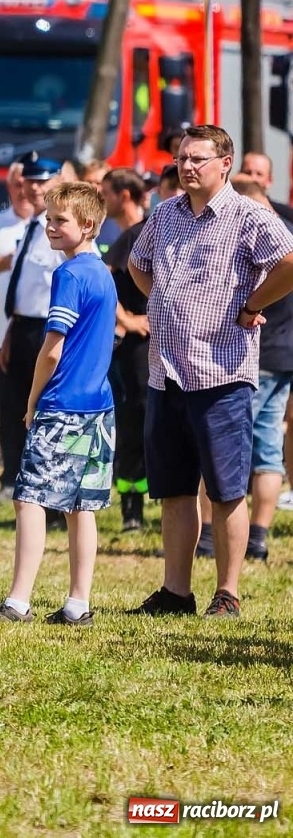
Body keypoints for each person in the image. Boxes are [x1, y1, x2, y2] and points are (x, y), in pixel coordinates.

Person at [127, 125, 293, 618]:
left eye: (198, 158)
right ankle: (175, 591)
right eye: (182, 158)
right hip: (167, 373)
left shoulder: (248, 216)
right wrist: (159, 297)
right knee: (175, 489)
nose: (187, 166)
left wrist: (253, 302)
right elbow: (139, 263)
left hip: (221, 374)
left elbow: (288, 262)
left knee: (224, 490)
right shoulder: (165, 214)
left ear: (225, 163)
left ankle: (228, 593)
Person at [0, 182, 117, 624]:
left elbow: (52, 348)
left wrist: (33, 399)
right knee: (81, 505)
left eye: (60, 220)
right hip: (99, 407)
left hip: (63, 404)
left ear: (88, 225)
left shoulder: (70, 274)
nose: (50, 226)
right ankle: (79, 603)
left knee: (31, 498)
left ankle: (18, 601)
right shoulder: (103, 273)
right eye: (49, 218)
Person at [197, 179, 291, 564]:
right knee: (268, 450)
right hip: (285, 357)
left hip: (248, 360)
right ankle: (259, 538)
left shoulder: (251, 246)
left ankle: (206, 537)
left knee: (217, 447)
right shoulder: (287, 237)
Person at [0, 156, 62, 509]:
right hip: (20, 328)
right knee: (12, 408)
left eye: (43, 182)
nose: (34, 188)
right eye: (30, 182)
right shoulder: (32, 228)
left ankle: (46, 490)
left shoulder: (57, 229)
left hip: (48, 330)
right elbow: (21, 289)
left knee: (44, 410)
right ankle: (16, 480)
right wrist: (9, 331)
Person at [99, 168, 151, 532]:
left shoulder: (147, 230)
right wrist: (129, 320)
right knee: (133, 419)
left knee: (152, 419)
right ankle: (131, 508)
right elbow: (105, 278)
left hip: (158, 344)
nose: (103, 200)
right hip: (133, 348)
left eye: (106, 193)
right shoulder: (125, 236)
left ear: (125, 195)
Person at [239, 150, 293, 222]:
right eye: (248, 173)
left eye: (259, 174)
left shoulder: (286, 215)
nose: (253, 178)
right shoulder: (226, 209)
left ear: (269, 180)